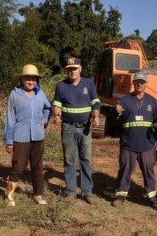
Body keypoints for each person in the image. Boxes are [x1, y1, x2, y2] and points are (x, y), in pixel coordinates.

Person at [111, 72, 157, 209]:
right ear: (133, 83)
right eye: (137, 82)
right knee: (125, 170)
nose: (139, 84)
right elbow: (113, 120)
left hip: (147, 145)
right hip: (128, 144)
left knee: (149, 171)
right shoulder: (124, 100)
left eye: (142, 82)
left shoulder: (153, 102)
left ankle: (152, 197)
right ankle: (120, 196)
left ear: (146, 84)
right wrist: (115, 111)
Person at [52, 57, 101, 205]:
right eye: (69, 69)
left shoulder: (88, 84)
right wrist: (56, 115)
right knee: (69, 160)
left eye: (75, 68)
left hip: (85, 127)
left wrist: (96, 116)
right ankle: (71, 191)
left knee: (86, 159)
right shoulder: (61, 86)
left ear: (80, 69)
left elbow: (96, 102)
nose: (72, 71)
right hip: (68, 127)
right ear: (67, 70)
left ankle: (87, 192)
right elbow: (57, 104)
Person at [3, 64, 51, 206]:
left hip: (38, 137)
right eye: (28, 78)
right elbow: (10, 118)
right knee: (18, 167)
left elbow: (47, 108)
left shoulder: (40, 94)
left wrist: (44, 119)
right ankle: (9, 196)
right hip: (20, 137)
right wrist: (9, 140)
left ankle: (38, 195)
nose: (31, 82)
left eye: (34, 79)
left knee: (37, 167)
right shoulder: (15, 94)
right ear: (22, 79)